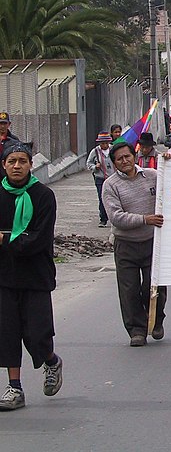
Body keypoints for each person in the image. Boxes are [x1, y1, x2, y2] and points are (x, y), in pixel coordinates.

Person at [0, 142, 63, 411]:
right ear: (4, 165)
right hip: (4, 276)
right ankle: (14, 388)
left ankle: (51, 361)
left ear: (31, 165)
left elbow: (39, 239)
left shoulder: (43, 196)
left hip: (36, 275)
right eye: (12, 161)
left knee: (37, 334)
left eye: (22, 161)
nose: (17, 166)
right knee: (8, 332)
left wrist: (4, 239)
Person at [102, 142, 167, 346]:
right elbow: (116, 217)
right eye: (119, 159)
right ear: (114, 163)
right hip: (126, 245)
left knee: (154, 286)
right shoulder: (110, 185)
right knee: (129, 289)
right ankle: (136, 330)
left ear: (134, 155)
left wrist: (170, 163)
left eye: (127, 156)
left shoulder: (153, 176)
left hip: (152, 242)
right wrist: (145, 219)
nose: (125, 161)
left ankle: (155, 320)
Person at [86, 132, 115, 228]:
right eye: (102, 143)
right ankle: (103, 219)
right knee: (102, 198)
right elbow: (88, 163)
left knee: (114, 198)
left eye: (106, 143)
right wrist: (95, 167)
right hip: (100, 178)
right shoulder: (95, 152)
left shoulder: (113, 149)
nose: (104, 145)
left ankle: (114, 217)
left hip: (113, 177)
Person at [0, 112, 20, 179]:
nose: (2, 126)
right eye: (0, 123)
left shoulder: (14, 140)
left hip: (8, 176)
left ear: (9, 124)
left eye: (5, 123)